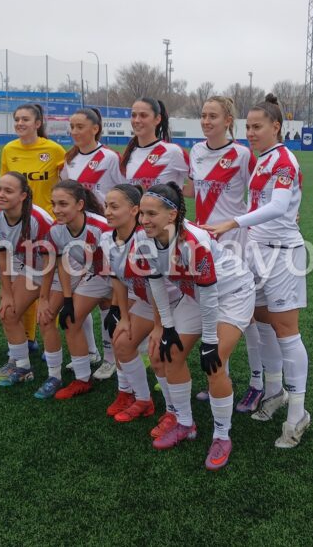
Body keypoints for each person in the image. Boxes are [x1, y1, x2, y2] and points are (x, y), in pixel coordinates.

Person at [203, 94, 312, 449]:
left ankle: (298, 414)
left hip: (282, 256)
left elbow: (280, 205)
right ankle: (275, 391)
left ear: (275, 127)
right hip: (257, 254)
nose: (250, 132)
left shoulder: (282, 158)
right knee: (260, 322)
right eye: (248, 126)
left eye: (257, 126)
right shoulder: (263, 159)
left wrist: (232, 221)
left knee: (286, 331)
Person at [140, 182, 255, 469]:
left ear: (172, 215)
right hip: (196, 292)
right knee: (172, 354)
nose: (143, 220)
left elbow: (211, 292)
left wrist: (209, 341)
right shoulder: (144, 240)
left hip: (231, 292)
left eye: (151, 214)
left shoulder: (193, 241)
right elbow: (156, 285)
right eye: (141, 213)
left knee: (213, 363)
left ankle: (221, 435)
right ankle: (185, 423)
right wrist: (165, 327)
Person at [187, 96, 270, 414]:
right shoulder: (195, 151)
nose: (206, 121)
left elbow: (262, 191)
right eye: (203, 116)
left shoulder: (242, 154)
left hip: (236, 244)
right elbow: (195, 189)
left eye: (213, 116)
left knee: (246, 319)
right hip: (205, 244)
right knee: (217, 315)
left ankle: (257, 384)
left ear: (228, 121)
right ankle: (220, 379)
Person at [60, 107, 125, 377]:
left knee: (107, 299)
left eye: (80, 126)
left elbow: (125, 191)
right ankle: (90, 352)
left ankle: (110, 357)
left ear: (95, 129)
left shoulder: (109, 158)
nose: (74, 131)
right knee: (79, 295)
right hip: (79, 236)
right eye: (72, 127)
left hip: (106, 235)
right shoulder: (69, 160)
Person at [0, 103, 68, 360]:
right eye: (17, 119)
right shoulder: (9, 149)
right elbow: (6, 185)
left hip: (50, 227)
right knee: (23, 281)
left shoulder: (54, 150)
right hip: (21, 228)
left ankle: (51, 336)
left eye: (25, 119)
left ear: (38, 123)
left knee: (51, 288)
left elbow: (66, 185)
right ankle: (28, 339)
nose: (20, 123)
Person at [37, 180, 114, 399]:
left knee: (124, 329)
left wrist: (117, 304)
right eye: (54, 204)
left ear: (80, 204)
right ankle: (82, 379)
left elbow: (120, 267)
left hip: (124, 278)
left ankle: (119, 370)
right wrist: (68, 299)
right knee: (70, 319)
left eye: (63, 204)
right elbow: (61, 264)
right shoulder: (57, 230)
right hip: (97, 276)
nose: (57, 209)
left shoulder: (102, 228)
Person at [101, 184, 165, 423]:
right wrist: (123, 316)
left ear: (134, 210)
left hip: (173, 302)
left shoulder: (146, 239)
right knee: (122, 342)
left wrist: (159, 326)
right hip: (147, 301)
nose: (107, 211)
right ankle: (142, 400)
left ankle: (174, 413)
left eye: (114, 206)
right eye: (106, 205)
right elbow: (117, 278)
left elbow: (159, 286)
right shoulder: (107, 238)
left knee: (161, 353)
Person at [0, 172, 57, 388]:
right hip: (29, 269)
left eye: (8, 191)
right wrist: (7, 291)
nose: (0, 194)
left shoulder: (38, 219)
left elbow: (50, 260)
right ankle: (22, 367)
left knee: (50, 319)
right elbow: (2, 255)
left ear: (23, 196)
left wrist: (44, 298)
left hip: (56, 272)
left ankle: (63, 372)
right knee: (7, 313)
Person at [121, 97, 189, 191]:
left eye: (143, 115)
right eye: (133, 115)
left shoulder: (172, 151)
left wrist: (173, 193)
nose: (136, 120)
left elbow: (197, 183)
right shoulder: (130, 152)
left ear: (157, 119)